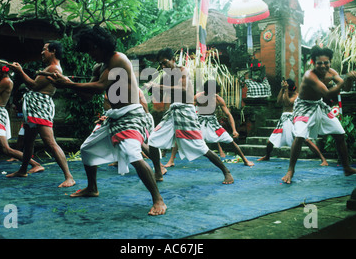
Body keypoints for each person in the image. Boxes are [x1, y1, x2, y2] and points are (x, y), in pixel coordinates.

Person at [47, 26, 166, 216]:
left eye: (91, 50)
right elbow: (88, 94)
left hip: (132, 114)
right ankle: (92, 188)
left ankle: (158, 199)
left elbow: (101, 86)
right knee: (87, 149)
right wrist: (64, 83)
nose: (90, 55)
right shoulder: (99, 67)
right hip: (114, 116)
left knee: (132, 152)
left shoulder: (118, 59)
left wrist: (68, 83)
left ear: (99, 46)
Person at [146, 48, 234, 185]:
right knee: (152, 140)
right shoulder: (165, 76)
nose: (163, 67)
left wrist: (158, 87)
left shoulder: (182, 71)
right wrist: (153, 90)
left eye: (165, 63)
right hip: (172, 112)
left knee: (200, 147)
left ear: (173, 60)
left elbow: (182, 89)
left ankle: (226, 171)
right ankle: (158, 172)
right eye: (160, 64)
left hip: (186, 111)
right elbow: (165, 96)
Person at [281, 46, 356, 184]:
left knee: (340, 133)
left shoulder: (332, 72)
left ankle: (346, 168)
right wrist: (346, 80)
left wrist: (349, 80)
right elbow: (327, 93)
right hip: (303, 107)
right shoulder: (309, 76)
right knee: (300, 135)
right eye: (319, 63)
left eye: (326, 62)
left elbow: (347, 89)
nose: (323, 66)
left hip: (319, 105)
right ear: (314, 63)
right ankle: (291, 169)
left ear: (330, 62)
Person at [5, 41, 75, 188]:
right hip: (34, 106)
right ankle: (23, 170)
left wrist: (20, 71)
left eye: (44, 50)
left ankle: (69, 177)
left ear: (53, 51)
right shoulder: (50, 67)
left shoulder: (54, 68)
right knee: (28, 141)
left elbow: (34, 85)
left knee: (50, 142)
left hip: (40, 107)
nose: (42, 52)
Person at [257, 78, 328, 166]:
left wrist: (286, 90)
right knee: (270, 142)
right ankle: (267, 156)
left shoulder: (297, 96)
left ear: (291, 89)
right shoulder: (286, 93)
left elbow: (287, 103)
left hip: (293, 119)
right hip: (283, 120)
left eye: (287, 89)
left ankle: (323, 159)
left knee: (306, 140)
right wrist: (282, 89)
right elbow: (279, 102)